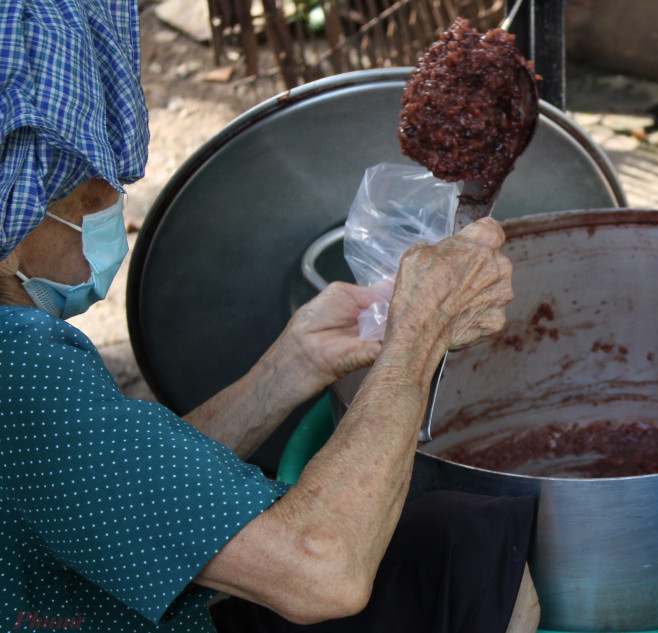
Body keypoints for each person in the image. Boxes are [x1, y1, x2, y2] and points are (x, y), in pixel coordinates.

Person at [0, 2, 540, 632]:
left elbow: (120, 488)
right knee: (475, 559)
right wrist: (420, 334)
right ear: (16, 203)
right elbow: (321, 572)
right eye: (87, 189)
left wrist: (293, 364)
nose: (111, 206)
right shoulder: (22, 364)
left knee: (461, 539)